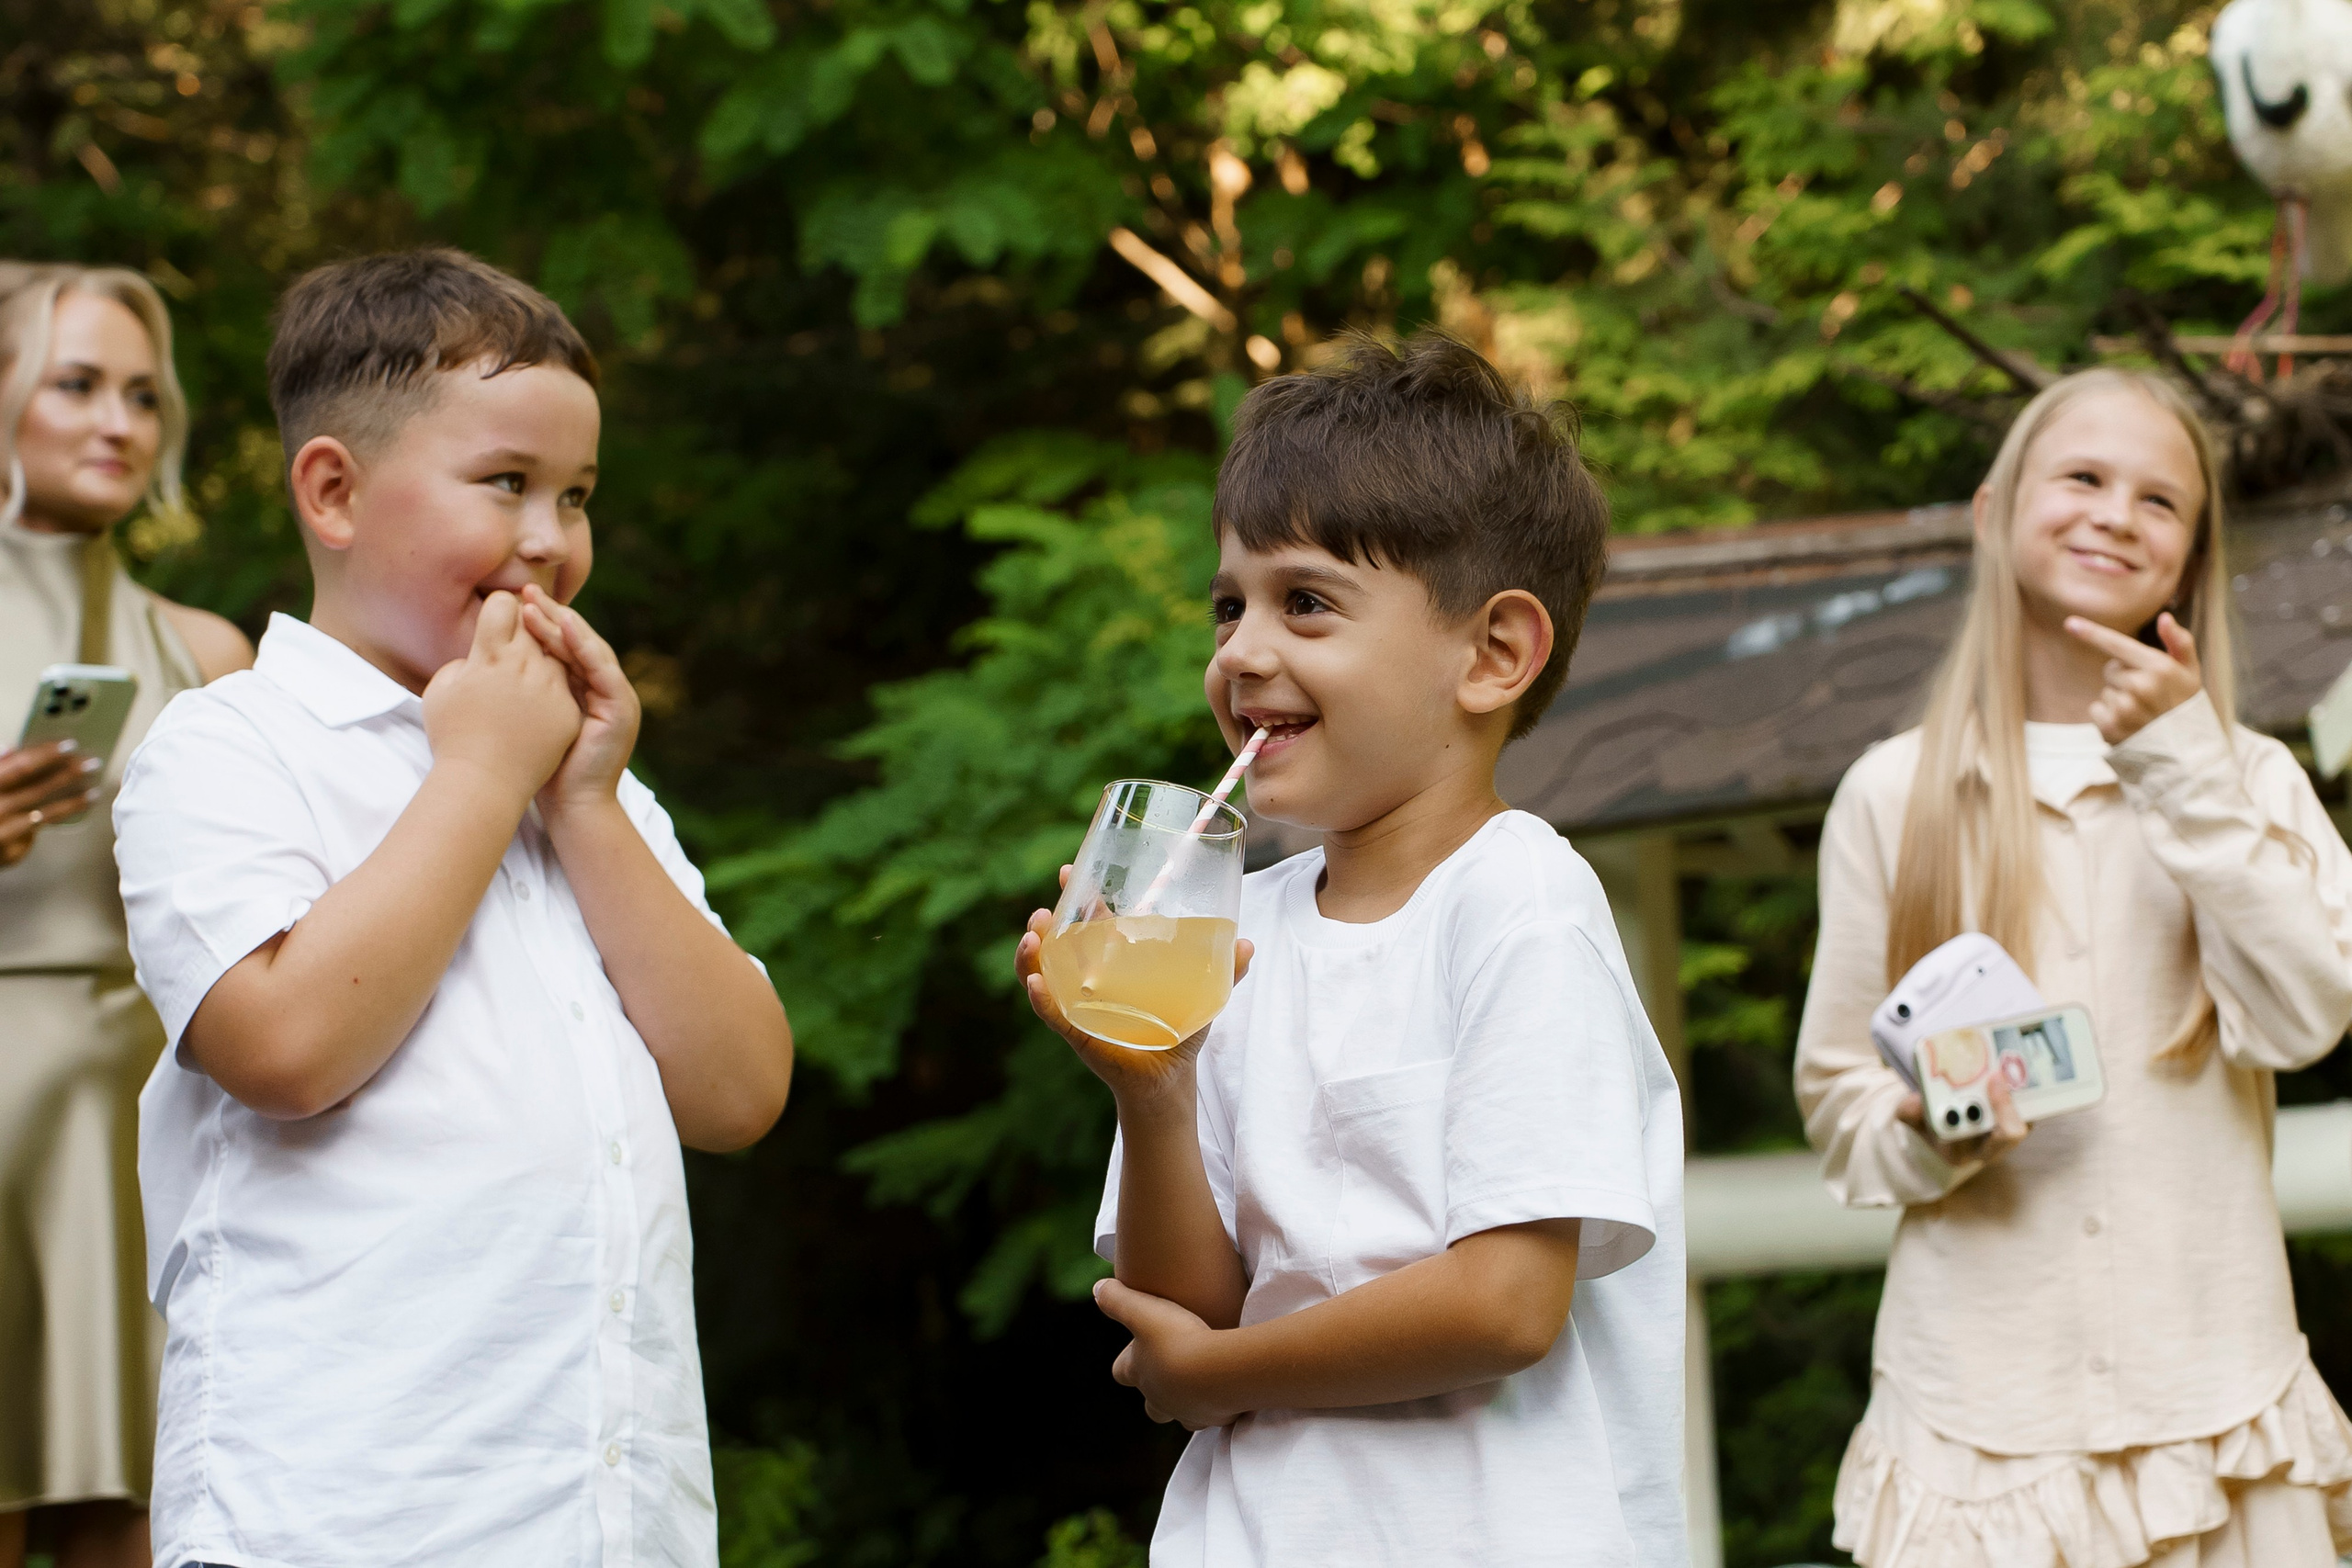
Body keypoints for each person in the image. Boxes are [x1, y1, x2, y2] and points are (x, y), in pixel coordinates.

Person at [111, 249, 795, 1568]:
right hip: (338, 1517)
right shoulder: (231, 747)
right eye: (507, 486)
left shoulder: (594, 789)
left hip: (604, 1520)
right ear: (334, 492)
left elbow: (739, 1092)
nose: (551, 540)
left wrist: (584, 803)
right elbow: (285, 1049)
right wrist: (482, 774)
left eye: (578, 498)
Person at [1014, 333, 1688, 1567]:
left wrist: (1230, 1374)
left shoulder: (1519, 899)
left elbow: (1504, 1303)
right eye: (1229, 606)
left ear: (1492, 655)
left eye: (1306, 602)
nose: (1242, 653)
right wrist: (1150, 1087)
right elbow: (1187, 1312)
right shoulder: (1233, 932)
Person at [1796, 367, 2352, 1567]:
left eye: (2160, 501)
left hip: (2222, 1415)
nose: (2116, 514)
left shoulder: (2251, 780)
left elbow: (2306, 1016)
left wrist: (2184, 771)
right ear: (1996, 512)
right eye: (2085, 478)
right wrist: (1925, 1135)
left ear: (2193, 557)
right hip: (1973, 1426)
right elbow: (1839, 1107)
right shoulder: (1892, 795)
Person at [0, 263, 252, 1568]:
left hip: (156, 1106)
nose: (118, 421)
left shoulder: (209, 652)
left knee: (155, 1502)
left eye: (144, 395)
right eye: (78, 383)